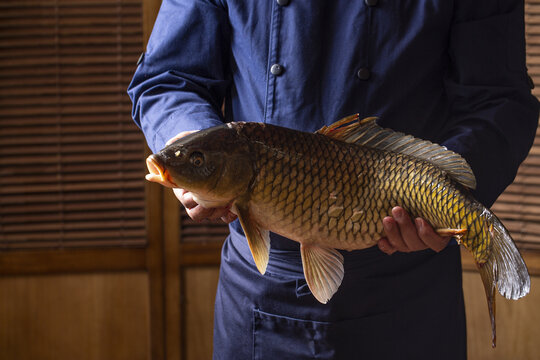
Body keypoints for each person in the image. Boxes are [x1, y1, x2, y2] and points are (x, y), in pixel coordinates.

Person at [129, 1, 539, 358]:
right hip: (261, 293)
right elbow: (169, 78)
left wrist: (440, 197)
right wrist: (196, 150)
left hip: (408, 289)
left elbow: (499, 100)